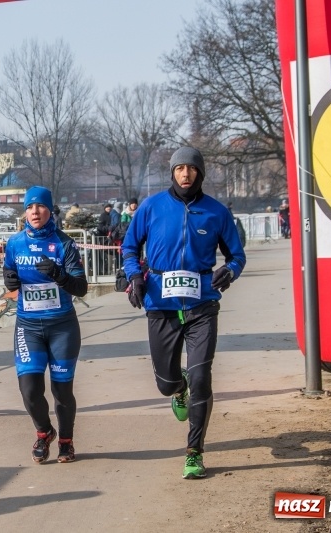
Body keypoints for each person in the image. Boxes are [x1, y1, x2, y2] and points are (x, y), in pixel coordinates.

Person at [121, 147, 246, 479]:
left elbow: (237, 255)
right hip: (160, 304)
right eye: (179, 169)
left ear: (200, 173)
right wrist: (134, 275)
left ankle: (194, 452)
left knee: (203, 378)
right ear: (172, 173)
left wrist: (230, 271)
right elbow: (129, 247)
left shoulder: (216, 212)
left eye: (191, 168)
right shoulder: (151, 207)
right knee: (165, 383)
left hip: (202, 305)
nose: (185, 174)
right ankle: (179, 388)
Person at [2, 186, 88, 463]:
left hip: (62, 327)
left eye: (40, 206)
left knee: (62, 391)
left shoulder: (64, 244)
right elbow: (9, 272)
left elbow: (81, 288)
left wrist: (59, 275)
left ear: (50, 210)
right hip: (28, 326)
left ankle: (66, 440)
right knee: (29, 389)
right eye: (29, 207)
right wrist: (10, 281)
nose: (35, 211)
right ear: (25, 212)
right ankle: (44, 432)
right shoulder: (15, 243)